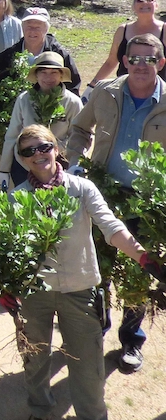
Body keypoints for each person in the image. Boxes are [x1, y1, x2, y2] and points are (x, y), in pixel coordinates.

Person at [13, 124, 162, 420]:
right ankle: (40, 412)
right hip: (35, 292)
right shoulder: (17, 197)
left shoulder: (81, 189)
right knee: (35, 357)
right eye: (29, 151)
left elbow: (112, 229)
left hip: (80, 290)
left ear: (56, 148)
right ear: (22, 160)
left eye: (44, 146)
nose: (38, 154)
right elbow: (8, 248)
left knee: (89, 368)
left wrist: (145, 259)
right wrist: (8, 285)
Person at [67, 33, 166, 374]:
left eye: (149, 59)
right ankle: (95, 330)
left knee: (139, 271)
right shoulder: (105, 92)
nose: (141, 65)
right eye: (134, 58)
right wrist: (75, 162)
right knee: (97, 269)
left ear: (161, 63)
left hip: (146, 203)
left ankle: (131, 341)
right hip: (102, 196)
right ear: (124, 61)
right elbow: (79, 130)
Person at [0, 52, 82, 190]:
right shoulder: (24, 99)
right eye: (43, 72)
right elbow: (12, 136)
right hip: (24, 165)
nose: (48, 77)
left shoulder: (73, 102)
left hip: (59, 166)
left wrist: (74, 165)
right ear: (36, 75)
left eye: (54, 72)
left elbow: (78, 137)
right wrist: (4, 171)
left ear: (61, 75)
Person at [84, 0, 166, 98]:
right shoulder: (122, 30)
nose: (145, 3)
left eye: (150, 0)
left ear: (156, 5)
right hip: (124, 93)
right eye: (139, 0)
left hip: (158, 94)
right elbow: (111, 62)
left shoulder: (164, 30)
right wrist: (92, 86)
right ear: (133, 6)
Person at [0, 7, 81, 96]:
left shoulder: (59, 55)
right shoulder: (7, 56)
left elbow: (73, 87)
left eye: (37, 27)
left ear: (46, 29)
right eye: (29, 27)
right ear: (22, 28)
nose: (32, 31)